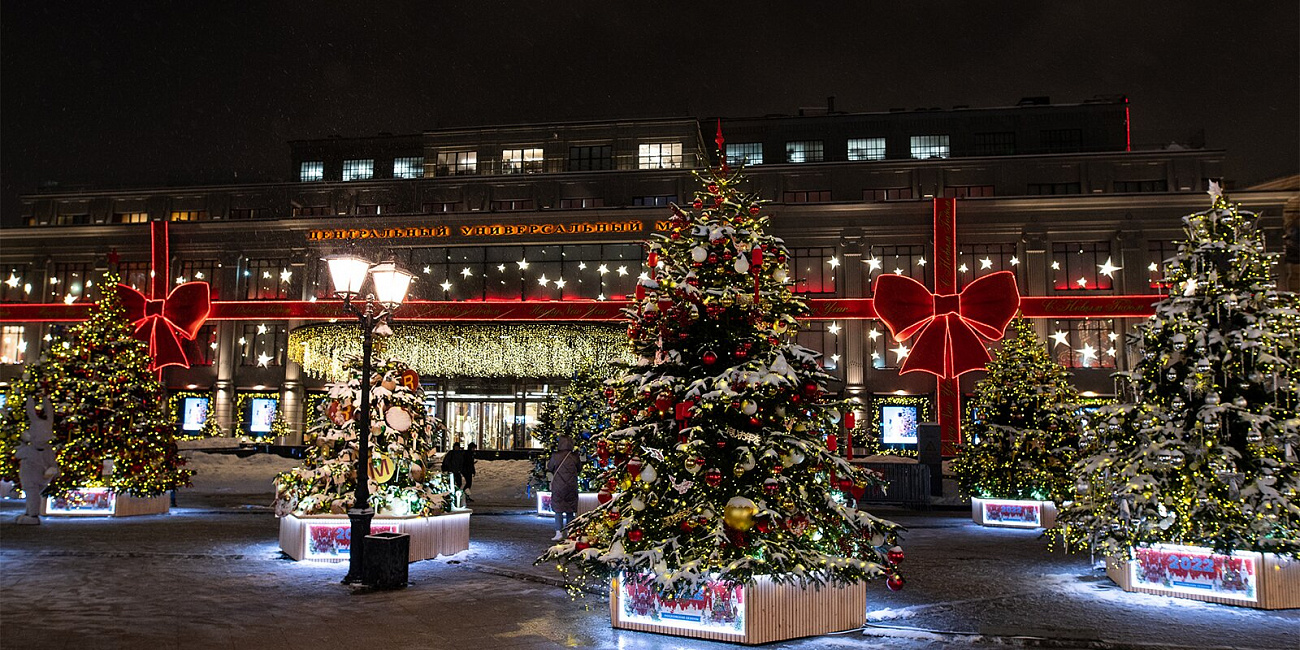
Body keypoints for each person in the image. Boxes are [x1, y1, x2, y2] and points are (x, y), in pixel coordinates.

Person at [546, 435, 579, 541]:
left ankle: (558, 532)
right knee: (570, 510)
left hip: (558, 486)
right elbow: (579, 468)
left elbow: (550, 467)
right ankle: (570, 532)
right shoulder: (574, 456)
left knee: (558, 509)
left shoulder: (556, 456)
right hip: (571, 486)